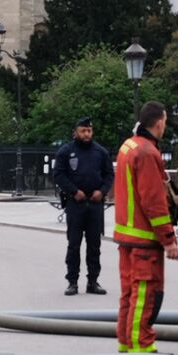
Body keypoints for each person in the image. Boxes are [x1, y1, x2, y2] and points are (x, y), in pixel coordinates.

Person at [113, 102, 178, 353]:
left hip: (127, 235)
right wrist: (169, 239)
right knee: (144, 294)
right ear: (160, 122)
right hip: (144, 239)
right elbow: (154, 201)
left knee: (129, 294)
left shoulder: (128, 146)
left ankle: (125, 342)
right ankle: (141, 346)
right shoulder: (147, 153)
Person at [52, 117, 115, 295]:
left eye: (89, 131)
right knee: (74, 245)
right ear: (76, 132)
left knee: (94, 245)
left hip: (95, 204)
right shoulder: (66, 151)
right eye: (83, 131)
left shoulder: (100, 152)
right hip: (75, 204)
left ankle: (93, 281)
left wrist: (101, 191)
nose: (86, 134)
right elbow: (58, 175)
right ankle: (72, 281)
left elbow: (109, 174)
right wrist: (73, 191)